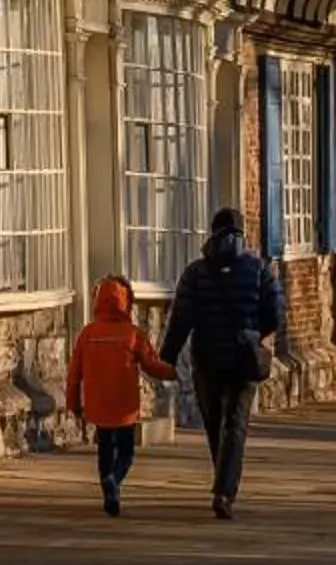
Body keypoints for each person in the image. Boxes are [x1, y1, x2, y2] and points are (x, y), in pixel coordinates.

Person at [162, 207, 291, 519]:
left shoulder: (196, 273)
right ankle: (224, 491)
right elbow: (276, 313)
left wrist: (166, 357)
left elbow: (181, 318)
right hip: (243, 357)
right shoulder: (259, 270)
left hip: (206, 358)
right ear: (241, 234)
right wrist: (255, 333)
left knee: (214, 422)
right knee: (235, 424)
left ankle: (222, 480)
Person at [65, 275, 174, 515]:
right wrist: (173, 372)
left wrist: (73, 403)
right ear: (127, 302)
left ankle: (108, 485)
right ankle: (115, 479)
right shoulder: (133, 334)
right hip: (124, 403)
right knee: (126, 452)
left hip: (98, 402)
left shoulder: (87, 333)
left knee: (104, 446)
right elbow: (151, 364)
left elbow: (74, 372)